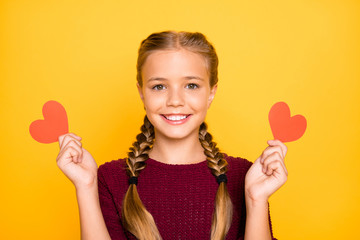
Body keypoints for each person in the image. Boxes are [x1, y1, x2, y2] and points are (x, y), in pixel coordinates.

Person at [56, 30, 288, 240]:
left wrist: (257, 200)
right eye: (159, 86)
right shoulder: (110, 178)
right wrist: (85, 186)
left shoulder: (243, 177)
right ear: (141, 92)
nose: (175, 101)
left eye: (191, 86)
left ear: (211, 93)